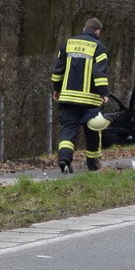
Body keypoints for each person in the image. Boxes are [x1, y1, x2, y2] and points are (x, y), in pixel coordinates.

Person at [51, 18, 110, 173]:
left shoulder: (68, 44)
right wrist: (104, 93)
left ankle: (64, 159)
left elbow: (57, 72)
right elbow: (99, 74)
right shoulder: (99, 47)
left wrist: (57, 89)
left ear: (84, 28)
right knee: (92, 130)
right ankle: (93, 164)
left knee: (69, 129)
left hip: (69, 98)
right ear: (98, 31)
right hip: (90, 100)